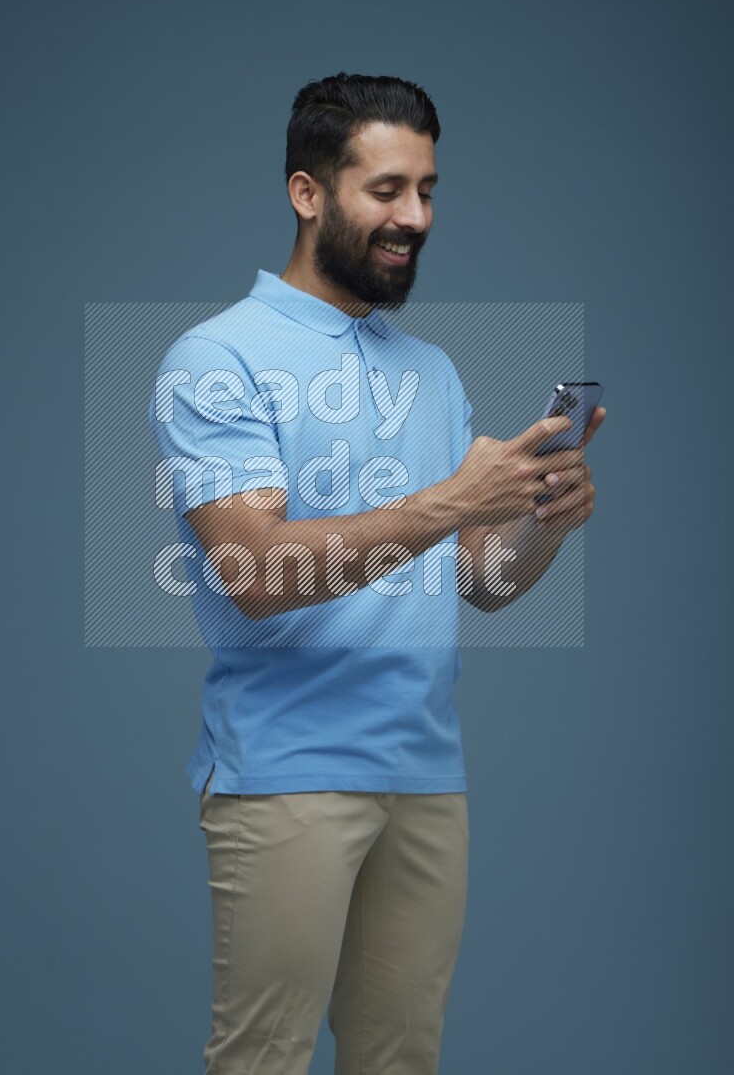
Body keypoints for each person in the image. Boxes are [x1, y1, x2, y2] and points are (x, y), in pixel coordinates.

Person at [148, 71, 605, 1074]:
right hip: (286, 769)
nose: (415, 217)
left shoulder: (429, 370)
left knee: (400, 1059)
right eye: (386, 189)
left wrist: (543, 521)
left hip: (426, 772)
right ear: (307, 193)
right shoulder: (215, 359)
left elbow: (480, 580)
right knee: (262, 1060)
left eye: (427, 191)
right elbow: (253, 572)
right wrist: (448, 501)